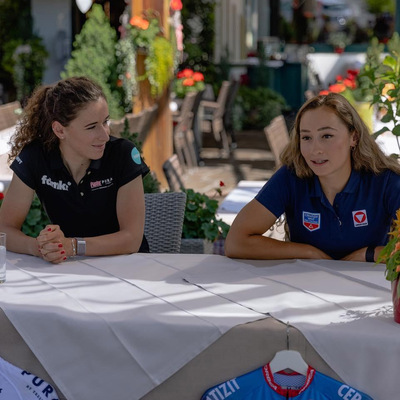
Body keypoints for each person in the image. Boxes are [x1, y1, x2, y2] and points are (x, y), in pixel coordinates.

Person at [225, 93, 400, 262]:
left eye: (327, 136)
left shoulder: (385, 181)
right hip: (305, 285)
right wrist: (307, 252)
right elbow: (235, 242)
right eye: (307, 137)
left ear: (353, 137)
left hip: (372, 288)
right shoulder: (292, 177)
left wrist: (369, 254)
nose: (315, 149)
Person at [0, 76, 150, 264]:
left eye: (105, 122)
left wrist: (72, 246)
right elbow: (4, 228)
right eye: (91, 127)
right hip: (68, 268)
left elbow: (131, 240)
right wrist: (39, 247)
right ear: (60, 130)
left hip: (130, 268)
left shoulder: (123, 154)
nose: (105, 135)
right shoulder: (36, 156)